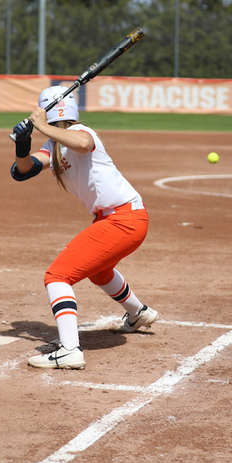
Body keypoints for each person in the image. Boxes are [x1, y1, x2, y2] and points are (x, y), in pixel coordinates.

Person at [10, 86, 159, 370]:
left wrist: (41, 126)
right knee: (99, 272)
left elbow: (82, 144)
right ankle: (138, 312)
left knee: (57, 276)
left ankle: (69, 350)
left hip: (123, 219)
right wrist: (22, 143)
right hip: (119, 220)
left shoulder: (83, 132)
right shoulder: (53, 146)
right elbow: (22, 171)